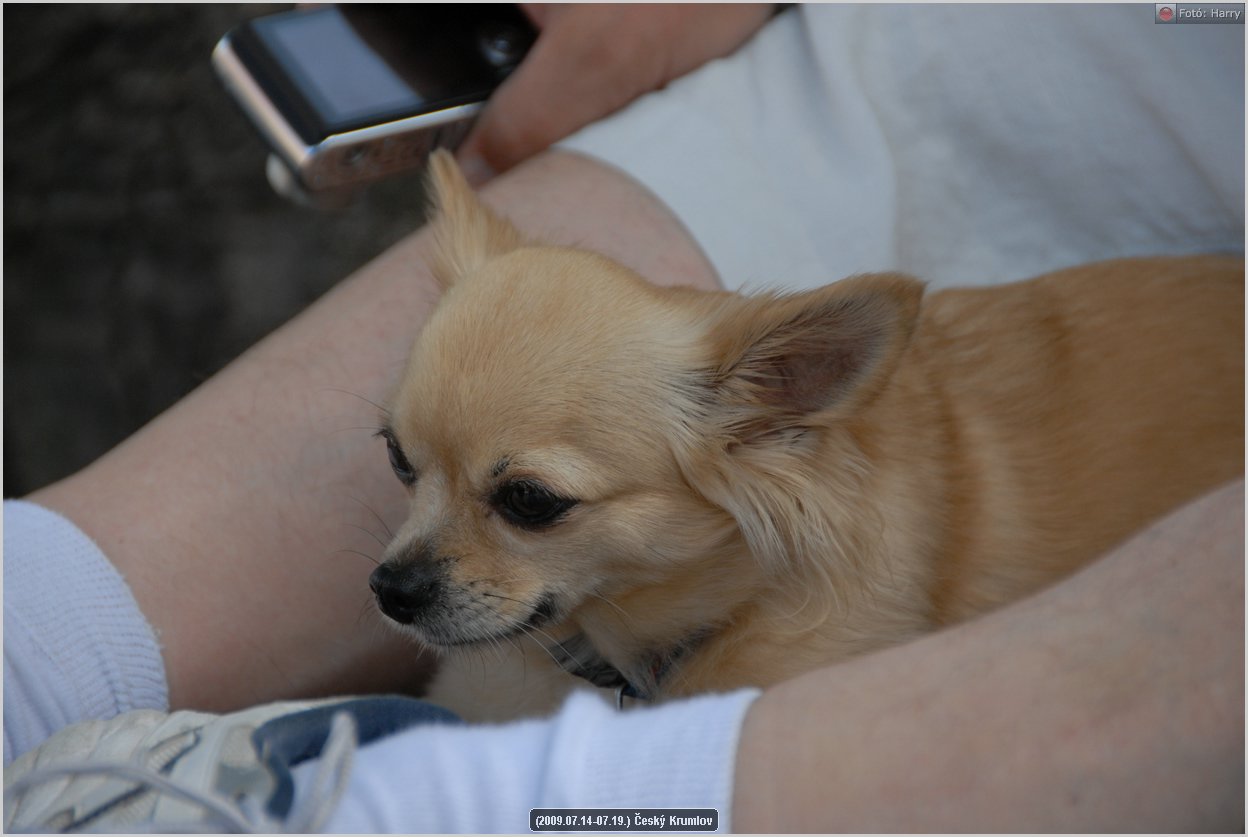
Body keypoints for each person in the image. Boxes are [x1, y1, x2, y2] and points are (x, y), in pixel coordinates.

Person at [4, 4, 1243, 832]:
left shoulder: (815, 557)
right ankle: (35, 660)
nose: (407, 556)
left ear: (780, 411)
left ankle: (436, 810)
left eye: (525, 503)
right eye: (408, 466)